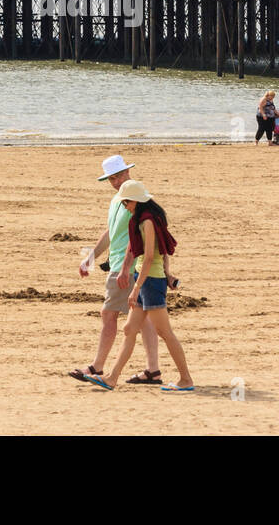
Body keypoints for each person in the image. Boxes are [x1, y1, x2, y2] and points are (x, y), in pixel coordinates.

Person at [86, 179, 194, 393]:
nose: (125, 206)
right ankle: (111, 378)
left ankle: (186, 379)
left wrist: (137, 288)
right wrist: (167, 273)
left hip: (151, 283)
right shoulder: (141, 218)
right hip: (147, 279)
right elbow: (158, 252)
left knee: (165, 332)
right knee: (129, 329)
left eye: (127, 202)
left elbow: (150, 257)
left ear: (135, 201)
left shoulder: (147, 222)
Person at [70, 156, 163, 385]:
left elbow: (135, 234)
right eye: (110, 178)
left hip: (126, 266)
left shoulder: (134, 199)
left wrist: (124, 267)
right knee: (144, 319)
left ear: (126, 172)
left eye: (116, 176)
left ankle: (97, 366)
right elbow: (110, 232)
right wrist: (92, 257)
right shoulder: (117, 200)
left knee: (109, 314)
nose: (113, 182)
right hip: (125, 264)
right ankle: (153, 370)